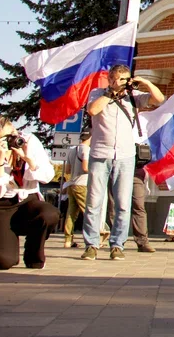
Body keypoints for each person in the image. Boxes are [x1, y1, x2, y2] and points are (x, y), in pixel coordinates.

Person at [82, 65, 164, 260]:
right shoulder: (97, 93)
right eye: (118, 79)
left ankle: (117, 245)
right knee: (94, 201)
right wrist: (111, 93)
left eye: (125, 79)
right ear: (110, 79)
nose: (122, 82)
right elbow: (92, 110)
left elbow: (159, 99)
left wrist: (144, 83)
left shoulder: (133, 97)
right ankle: (91, 245)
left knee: (123, 204)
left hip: (126, 156)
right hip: (101, 153)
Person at [0, 115, 59, 270]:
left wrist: (29, 161)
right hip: (0, 204)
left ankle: (33, 257)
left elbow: (48, 175)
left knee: (49, 214)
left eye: (13, 134)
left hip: (27, 199)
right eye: (5, 139)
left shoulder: (29, 141)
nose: (12, 141)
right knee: (2, 261)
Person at [60, 131, 91, 248]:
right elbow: (85, 167)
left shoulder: (72, 150)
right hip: (82, 183)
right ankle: (92, 239)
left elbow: (67, 170)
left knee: (71, 213)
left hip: (72, 183)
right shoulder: (86, 150)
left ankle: (68, 240)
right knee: (88, 211)